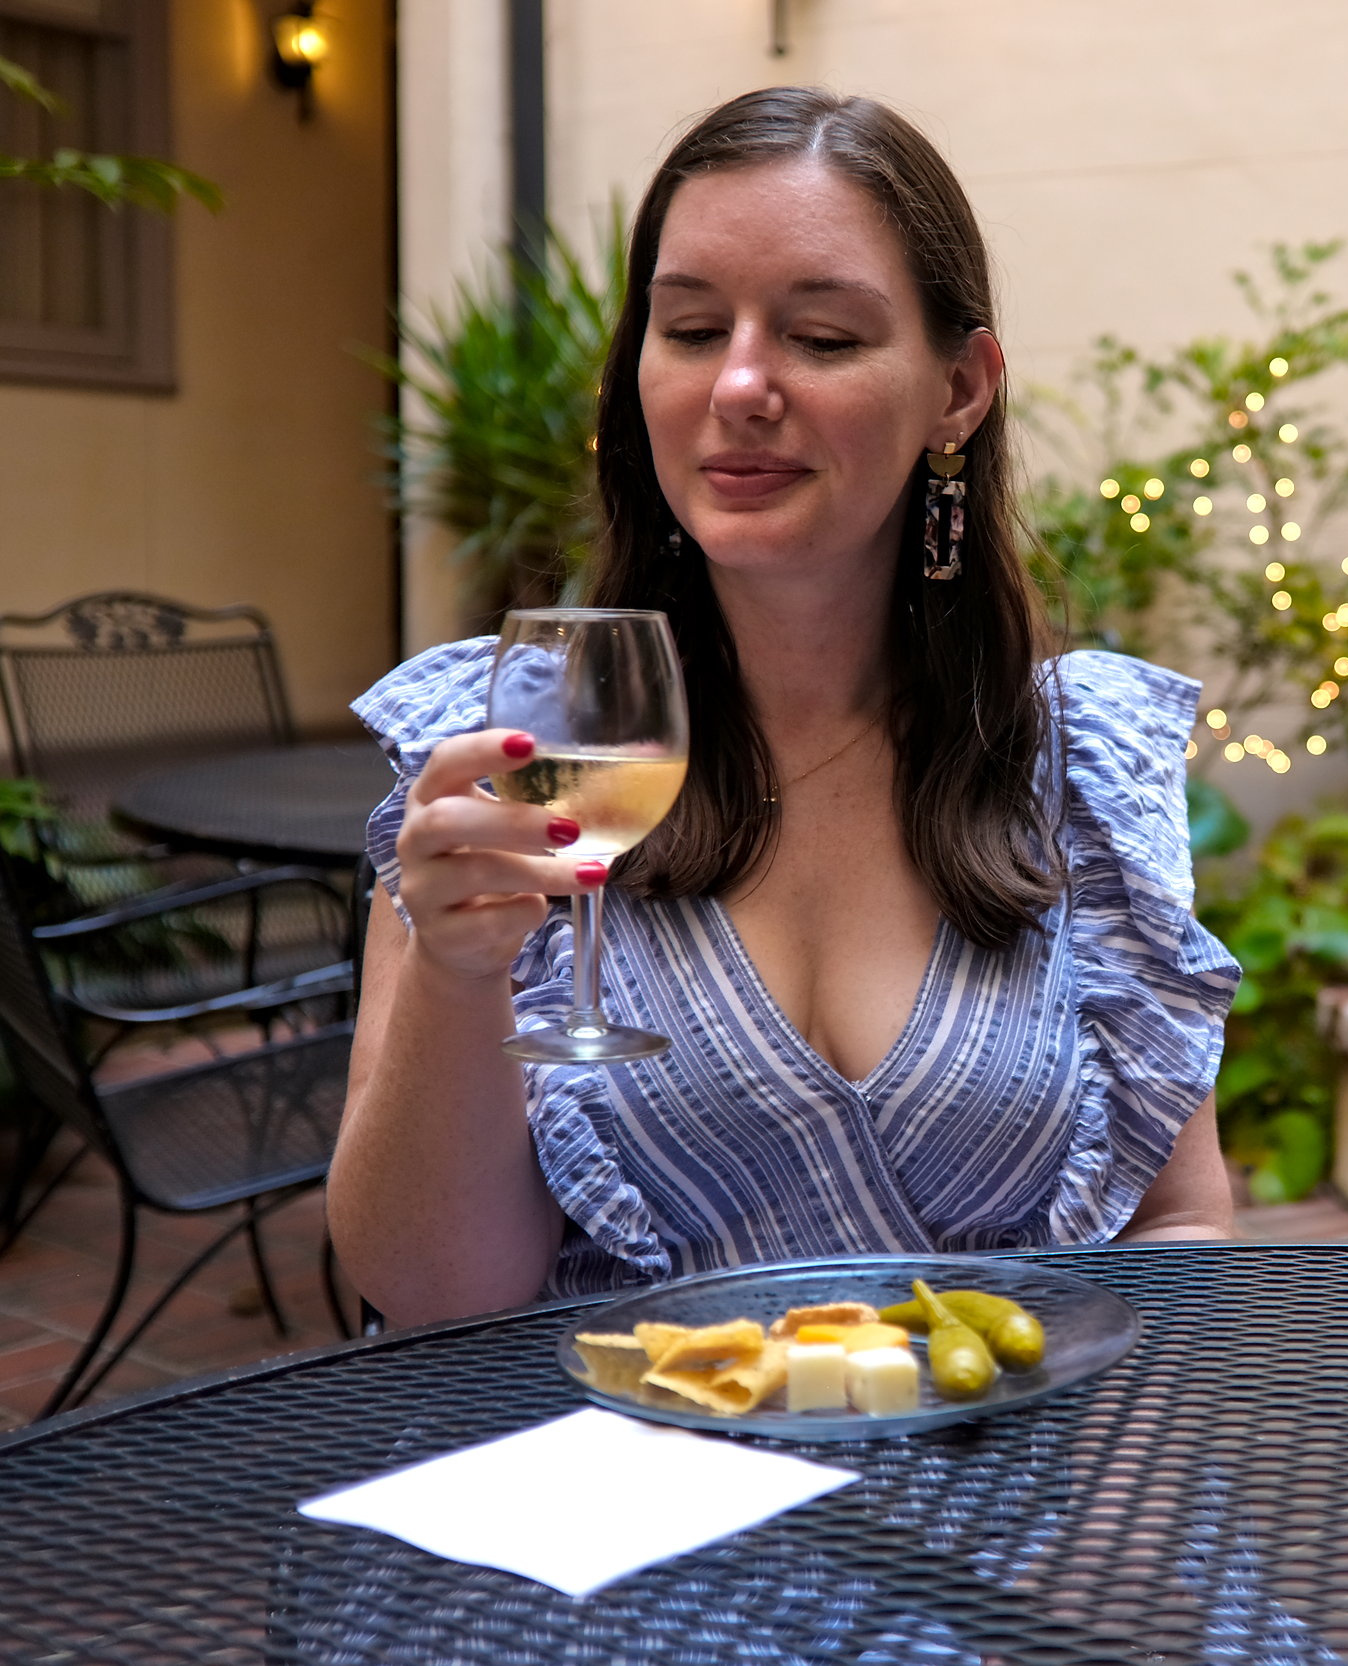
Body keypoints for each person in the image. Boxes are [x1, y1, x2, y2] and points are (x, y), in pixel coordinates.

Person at [329, 88, 1241, 1328]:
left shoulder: (1078, 761)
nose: (742, 384)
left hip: (1012, 1490)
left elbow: (1176, 1222)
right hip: (622, 1487)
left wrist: (1115, 1482)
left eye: (821, 338)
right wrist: (454, 969)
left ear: (959, 390)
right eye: (692, 327)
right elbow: (434, 1296)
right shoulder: (516, 745)